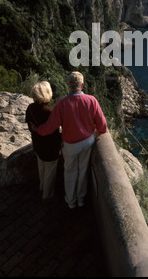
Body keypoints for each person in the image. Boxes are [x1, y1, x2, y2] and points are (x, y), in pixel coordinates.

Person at [35, 71, 108, 209]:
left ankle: (70, 201)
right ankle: (81, 199)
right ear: (82, 85)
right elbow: (102, 126)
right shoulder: (92, 100)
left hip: (70, 144)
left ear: (69, 85)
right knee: (83, 171)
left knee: (70, 172)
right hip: (87, 142)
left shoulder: (62, 104)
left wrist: (37, 130)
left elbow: (50, 127)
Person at [26, 81, 61, 204]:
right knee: (50, 173)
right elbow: (55, 135)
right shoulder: (49, 112)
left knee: (41, 168)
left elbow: (30, 126)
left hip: (38, 145)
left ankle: (41, 188)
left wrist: (36, 129)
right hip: (50, 149)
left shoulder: (30, 108)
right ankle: (47, 196)